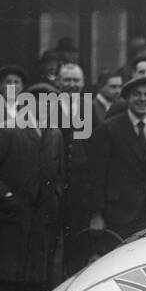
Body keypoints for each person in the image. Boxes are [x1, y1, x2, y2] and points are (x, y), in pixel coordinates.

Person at [0, 82, 64, 291]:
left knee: (34, 287)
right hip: (11, 221)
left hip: (40, 224)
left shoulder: (54, 134)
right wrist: (7, 197)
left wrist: (54, 200)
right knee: (6, 285)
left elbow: (57, 173)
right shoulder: (8, 131)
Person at [88, 75, 146, 241]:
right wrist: (96, 213)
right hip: (118, 214)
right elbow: (97, 175)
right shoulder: (109, 129)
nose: (143, 99)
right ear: (128, 98)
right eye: (137, 94)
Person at [56, 63, 98, 275]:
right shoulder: (49, 107)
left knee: (77, 242)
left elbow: (95, 147)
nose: (71, 85)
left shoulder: (88, 107)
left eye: (76, 81)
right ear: (58, 82)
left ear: (83, 84)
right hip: (54, 186)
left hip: (80, 189)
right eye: (67, 80)